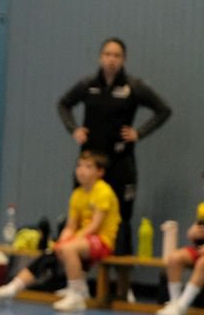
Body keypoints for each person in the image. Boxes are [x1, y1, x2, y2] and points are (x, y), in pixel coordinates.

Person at [57, 37, 172, 255]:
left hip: (120, 161)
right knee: (82, 214)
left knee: (121, 216)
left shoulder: (134, 87)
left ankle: (122, 273)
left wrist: (139, 132)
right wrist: (74, 129)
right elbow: (63, 104)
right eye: (107, 54)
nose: (111, 59)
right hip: (91, 161)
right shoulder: (88, 85)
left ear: (123, 60)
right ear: (100, 57)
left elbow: (163, 110)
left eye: (117, 55)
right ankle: (76, 268)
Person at [0, 151, 119, 312]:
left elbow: (95, 226)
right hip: (82, 240)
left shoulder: (103, 191)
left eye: (88, 167)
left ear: (100, 172)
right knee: (50, 252)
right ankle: (13, 287)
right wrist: (62, 240)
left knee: (68, 248)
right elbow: (71, 226)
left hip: (103, 241)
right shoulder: (77, 194)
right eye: (79, 166)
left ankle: (77, 295)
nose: (81, 170)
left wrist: (69, 242)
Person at [156, 191, 204, 315]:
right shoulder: (202, 208)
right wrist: (195, 232)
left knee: (202, 263)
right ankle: (174, 302)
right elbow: (192, 234)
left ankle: (182, 306)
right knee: (174, 258)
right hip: (199, 250)